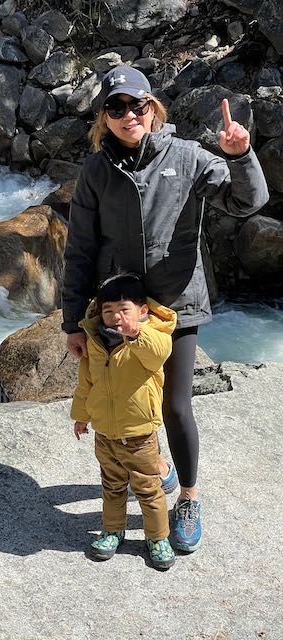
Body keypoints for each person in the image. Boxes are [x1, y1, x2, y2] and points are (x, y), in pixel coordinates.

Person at [62, 64, 269, 553]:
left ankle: (188, 498)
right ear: (104, 117)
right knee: (132, 403)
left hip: (177, 305)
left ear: (152, 107)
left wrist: (240, 156)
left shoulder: (188, 156)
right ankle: (158, 464)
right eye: (116, 107)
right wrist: (74, 322)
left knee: (174, 406)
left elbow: (247, 202)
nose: (128, 115)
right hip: (119, 312)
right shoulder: (95, 171)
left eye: (137, 105)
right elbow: (80, 250)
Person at [72, 273, 177, 569]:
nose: (116, 317)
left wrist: (136, 333)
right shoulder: (95, 340)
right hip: (105, 433)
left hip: (139, 434)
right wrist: (81, 416)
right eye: (108, 310)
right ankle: (112, 531)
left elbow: (160, 353)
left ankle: (157, 537)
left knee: (148, 489)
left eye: (124, 309)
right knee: (112, 485)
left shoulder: (150, 336)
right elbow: (86, 382)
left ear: (142, 311)